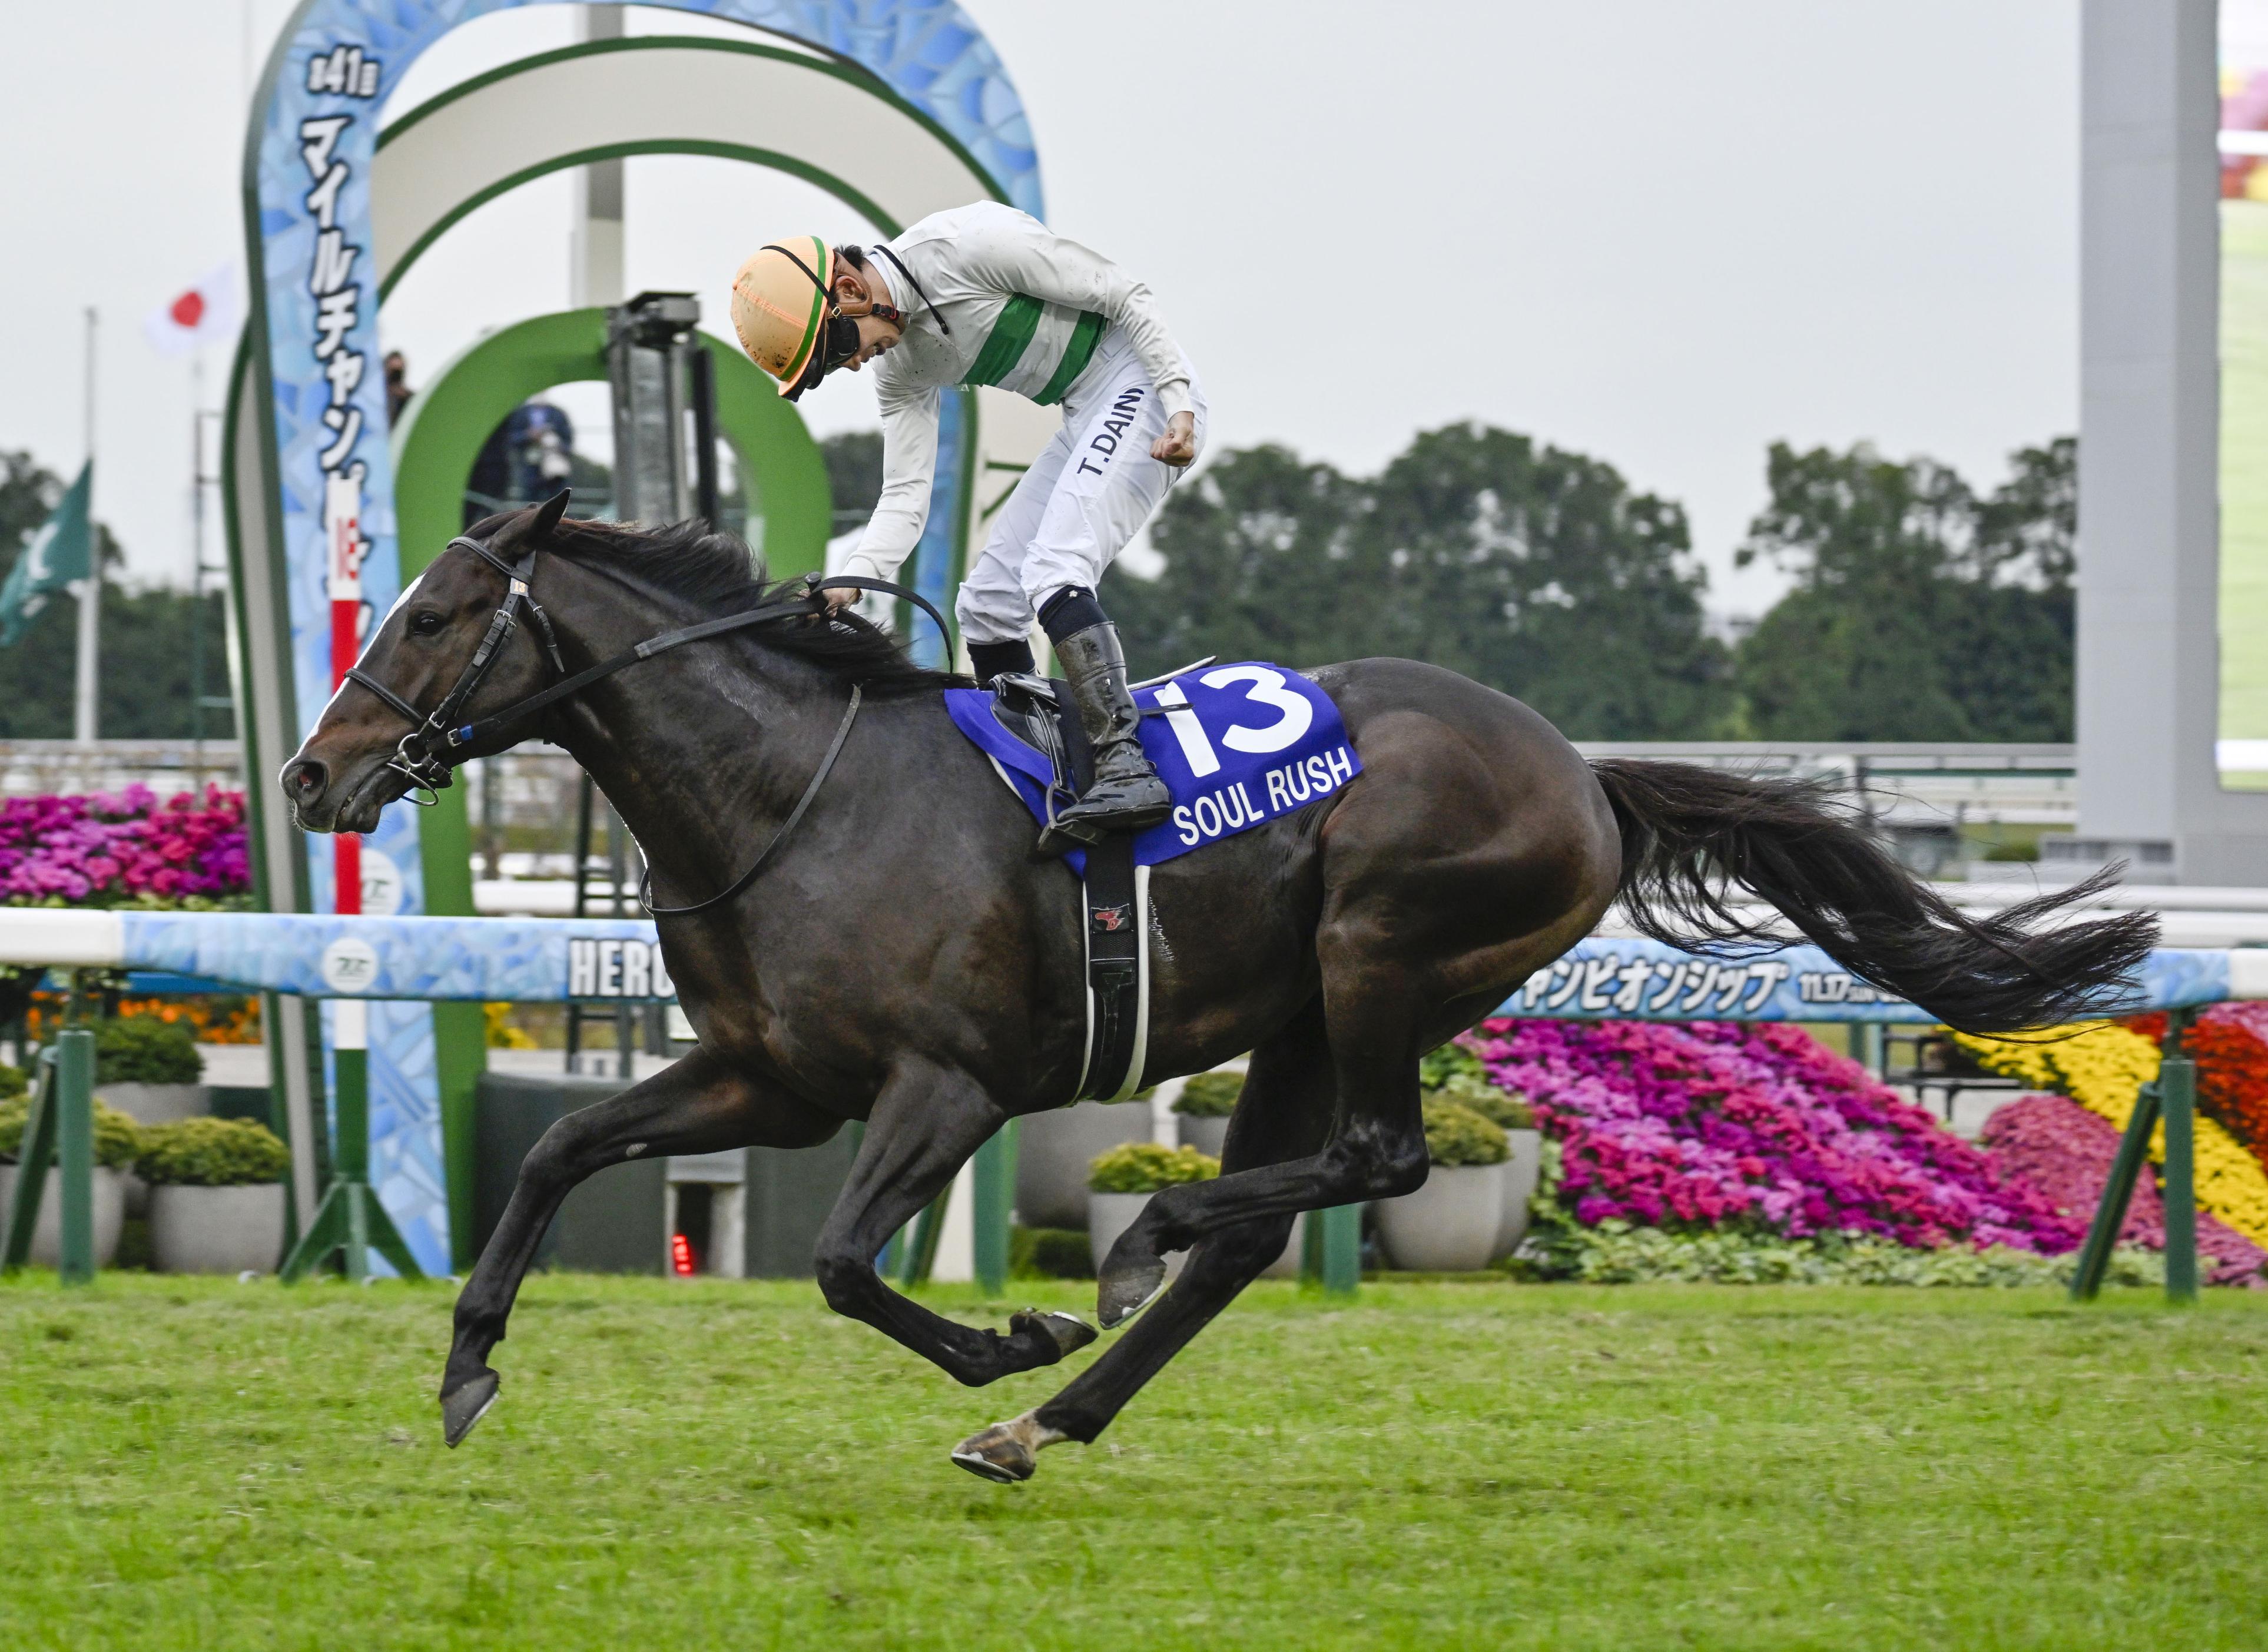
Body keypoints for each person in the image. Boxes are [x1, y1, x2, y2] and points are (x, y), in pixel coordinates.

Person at [727, 201, 1204, 849]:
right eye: (834, 366)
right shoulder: (899, 370)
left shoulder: (967, 246)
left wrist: (1177, 401)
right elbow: (905, 497)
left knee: (1054, 568)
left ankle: (1126, 765)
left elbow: (1124, 292)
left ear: (848, 288)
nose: (855, 365)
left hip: (1141, 385)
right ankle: (1044, 776)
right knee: (985, 606)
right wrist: (851, 579)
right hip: (1087, 408)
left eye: (840, 348)